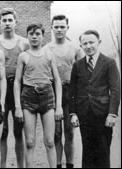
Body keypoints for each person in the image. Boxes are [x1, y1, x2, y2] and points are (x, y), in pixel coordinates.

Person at [69, 30, 120, 168]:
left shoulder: (109, 63)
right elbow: (72, 90)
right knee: (88, 152)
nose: (88, 46)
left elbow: (115, 90)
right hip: (84, 114)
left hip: (103, 114)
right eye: (84, 43)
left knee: (103, 151)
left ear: (99, 43)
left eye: (91, 42)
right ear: (81, 45)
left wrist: (112, 114)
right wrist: (73, 113)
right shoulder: (77, 65)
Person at [14, 23, 63, 168]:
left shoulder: (49, 55)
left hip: (47, 97)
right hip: (28, 97)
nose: (34, 37)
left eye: (37, 34)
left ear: (43, 36)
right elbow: (17, 82)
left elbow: (57, 80)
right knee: (29, 142)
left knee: (49, 141)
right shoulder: (23, 56)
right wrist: (18, 106)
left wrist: (58, 106)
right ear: (27, 36)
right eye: (31, 34)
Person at [0, 8, 29, 168]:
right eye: (4, 20)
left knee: (19, 132)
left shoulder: (24, 43)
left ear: (15, 22)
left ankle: (20, 165)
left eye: (9, 20)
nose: (7, 23)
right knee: (2, 132)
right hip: (1, 89)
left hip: (19, 89)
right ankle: (3, 165)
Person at [44, 15, 84, 168]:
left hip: (70, 92)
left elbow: (83, 74)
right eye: (56, 26)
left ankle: (70, 164)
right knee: (56, 133)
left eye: (62, 26)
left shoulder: (75, 48)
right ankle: (57, 164)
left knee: (69, 131)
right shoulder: (46, 48)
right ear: (52, 28)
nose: (59, 29)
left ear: (67, 27)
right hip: (52, 92)